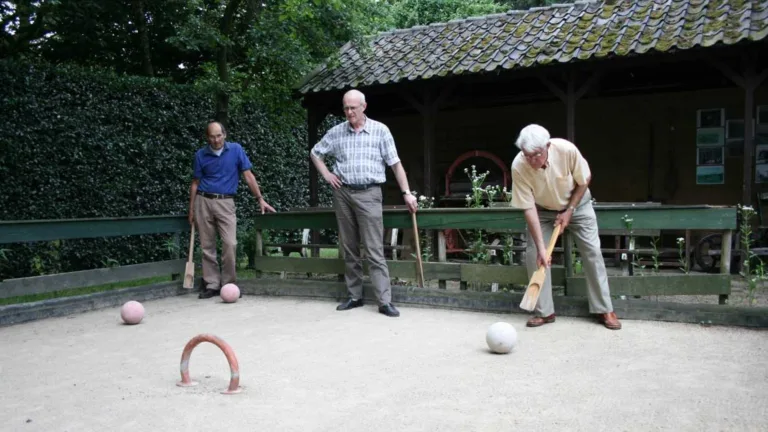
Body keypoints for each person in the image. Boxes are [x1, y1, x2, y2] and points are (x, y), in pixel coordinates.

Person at [310, 89, 418, 318]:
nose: (349, 112)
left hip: (370, 193)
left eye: (353, 108)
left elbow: (395, 165)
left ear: (364, 107)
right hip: (343, 193)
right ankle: (354, 296)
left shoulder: (380, 131)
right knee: (349, 247)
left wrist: (407, 193)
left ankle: (384, 301)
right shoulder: (336, 132)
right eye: (346, 108)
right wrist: (327, 175)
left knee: (374, 248)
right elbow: (315, 153)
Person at [509, 124, 621, 330]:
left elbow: (584, 179)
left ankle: (604, 308)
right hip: (542, 210)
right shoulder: (518, 165)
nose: (532, 160)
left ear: (548, 146)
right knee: (535, 254)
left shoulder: (566, 150)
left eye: (537, 155)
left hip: (578, 205)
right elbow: (527, 207)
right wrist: (542, 248)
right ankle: (544, 311)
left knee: (592, 253)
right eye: (527, 155)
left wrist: (569, 210)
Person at [189, 121, 276, 299]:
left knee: (230, 243)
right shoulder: (200, 155)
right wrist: (191, 209)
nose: (216, 140)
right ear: (207, 138)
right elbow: (195, 183)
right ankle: (212, 284)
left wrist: (260, 198)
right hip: (203, 200)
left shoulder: (236, 150)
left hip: (226, 202)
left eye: (219, 135)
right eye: (212, 136)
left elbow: (248, 175)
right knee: (207, 246)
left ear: (225, 135)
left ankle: (229, 285)